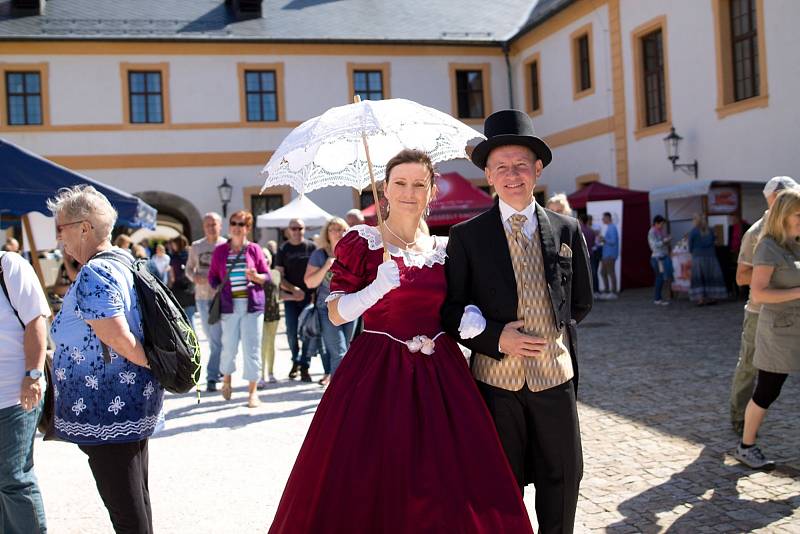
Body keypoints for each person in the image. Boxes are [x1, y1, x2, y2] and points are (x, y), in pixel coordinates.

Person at [269, 148, 533, 533]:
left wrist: (470, 317)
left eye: (419, 184)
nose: (409, 192)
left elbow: (456, 305)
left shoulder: (445, 248)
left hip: (442, 375)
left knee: (449, 477)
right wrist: (373, 290)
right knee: (372, 473)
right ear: (385, 189)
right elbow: (336, 311)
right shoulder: (363, 242)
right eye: (400, 183)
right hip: (377, 372)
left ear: (431, 192)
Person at [442, 109, 593, 533]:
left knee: (564, 477)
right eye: (502, 167)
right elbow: (451, 311)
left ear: (538, 169)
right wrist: (495, 337)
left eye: (521, 165)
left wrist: (549, 333)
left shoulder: (566, 229)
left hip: (554, 378)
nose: (513, 175)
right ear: (488, 174)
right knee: (500, 484)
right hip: (496, 384)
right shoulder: (467, 236)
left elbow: (581, 301)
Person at [47, 185, 164, 533]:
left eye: (61, 228)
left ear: (84, 227)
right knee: (136, 499)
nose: (59, 238)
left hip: (107, 408)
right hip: (128, 403)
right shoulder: (123, 261)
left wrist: (151, 364)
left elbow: (117, 336)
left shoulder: (96, 272)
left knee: (126, 509)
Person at [733, 188, 800, 469]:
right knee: (767, 391)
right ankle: (746, 447)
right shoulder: (768, 246)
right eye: (798, 214)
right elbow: (758, 293)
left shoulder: (795, 244)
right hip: (778, 332)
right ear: (784, 215)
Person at [0, 250, 50, 533]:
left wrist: (33, 374)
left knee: (13, 476)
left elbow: (36, 321)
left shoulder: (8, 265)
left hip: (15, 394)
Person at [208, 211, 270, 408]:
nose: (236, 226)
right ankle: (226, 379)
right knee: (229, 347)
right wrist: (218, 286)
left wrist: (257, 277)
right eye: (234, 223)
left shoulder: (254, 249)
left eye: (241, 224)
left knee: (252, 349)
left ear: (247, 228)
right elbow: (212, 277)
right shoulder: (220, 251)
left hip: (252, 306)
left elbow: (267, 276)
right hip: (229, 306)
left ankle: (252, 392)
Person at [304, 217, 353, 386]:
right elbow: (309, 282)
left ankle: (338, 385)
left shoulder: (353, 253)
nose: (338, 233)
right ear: (327, 234)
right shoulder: (320, 255)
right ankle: (340, 390)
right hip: (326, 309)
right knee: (339, 351)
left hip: (350, 307)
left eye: (341, 229)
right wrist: (326, 265)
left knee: (345, 349)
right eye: (333, 229)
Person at [186, 212, 227, 392]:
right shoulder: (196, 246)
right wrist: (193, 277)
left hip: (221, 297)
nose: (211, 227)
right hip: (202, 297)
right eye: (208, 224)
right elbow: (188, 269)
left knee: (217, 338)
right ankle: (220, 368)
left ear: (220, 226)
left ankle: (211, 376)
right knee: (211, 338)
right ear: (204, 227)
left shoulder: (226, 245)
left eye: (214, 224)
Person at [274, 218, 316, 382]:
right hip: (291, 297)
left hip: (309, 297)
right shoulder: (283, 249)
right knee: (291, 332)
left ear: (305, 229)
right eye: (294, 228)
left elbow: (317, 272)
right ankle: (295, 361)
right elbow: (278, 276)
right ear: (288, 231)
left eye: (300, 228)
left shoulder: (312, 247)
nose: (297, 231)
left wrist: (313, 294)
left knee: (308, 332)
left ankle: (304, 365)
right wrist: (293, 290)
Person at [688, 214, 727, 305]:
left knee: (699, 278)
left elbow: (690, 246)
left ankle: (700, 299)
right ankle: (712, 297)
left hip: (698, 257)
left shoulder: (693, 231)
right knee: (711, 277)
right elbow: (715, 241)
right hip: (711, 256)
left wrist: (692, 252)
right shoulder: (711, 230)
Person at [258, 249, 281, 389]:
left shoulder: (276, 274)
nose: (265, 259)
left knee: (271, 344)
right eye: (262, 257)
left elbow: (279, 292)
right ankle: (260, 376)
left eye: (267, 257)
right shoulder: (255, 275)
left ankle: (271, 373)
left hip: (274, 314)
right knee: (262, 344)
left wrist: (296, 293)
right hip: (259, 314)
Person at [168, 235, 196, 331]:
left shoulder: (174, 257)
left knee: (179, 317)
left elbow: (172, 276)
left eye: (174, 244)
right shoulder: (191, 254)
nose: (173, 246)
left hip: (178, 289)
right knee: (190, 316)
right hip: (190, 287)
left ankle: (186, 341)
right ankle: (194, 340)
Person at [647, 215, 673, 305]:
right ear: (656, 223)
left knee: (663, 277)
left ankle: (659, 298)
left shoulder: (661, 231)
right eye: (661, 224)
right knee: (659, 278)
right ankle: (657, 298)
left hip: (663, 256)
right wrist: (665, 241)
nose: (662, 226)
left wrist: (667, 241)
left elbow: (664, 243)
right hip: (657, 258)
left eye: (663, 224)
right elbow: (654, 246)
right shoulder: (652, 232)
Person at [599, 212, 619, 299]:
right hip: (606, 254)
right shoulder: (610, 227)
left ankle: (613, 292)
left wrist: (603, 239)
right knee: (603, 272)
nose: (602, 219)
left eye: (604, 218)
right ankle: (607, 291)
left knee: (610, 273)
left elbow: (613, 241)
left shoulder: (612, 227)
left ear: (608, 218)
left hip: (610, 255)